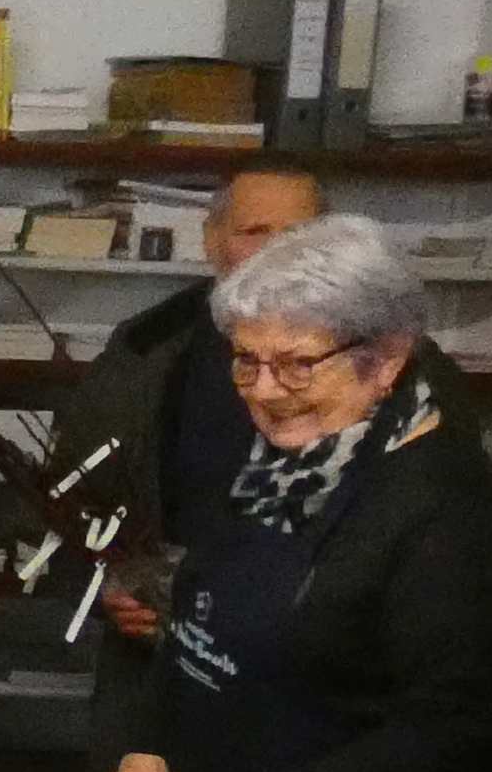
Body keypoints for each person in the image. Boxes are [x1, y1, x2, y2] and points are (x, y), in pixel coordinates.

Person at [78, 215, 492, 772]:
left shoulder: (447, 509)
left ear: (385, 361)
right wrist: (153, 745)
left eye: (296, 365)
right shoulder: (279, 465)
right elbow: (200, 622)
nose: (264, 391)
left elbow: (454, 722)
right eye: (246, 362)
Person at [52, 161, 325, 621]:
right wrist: (111, 589)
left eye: (297, 235)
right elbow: (74, 501)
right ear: (212, 241)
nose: (277, 253)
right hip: (165, 641)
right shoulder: (144, 348)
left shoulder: (384, 359)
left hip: (315, 643)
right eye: (254, 232)